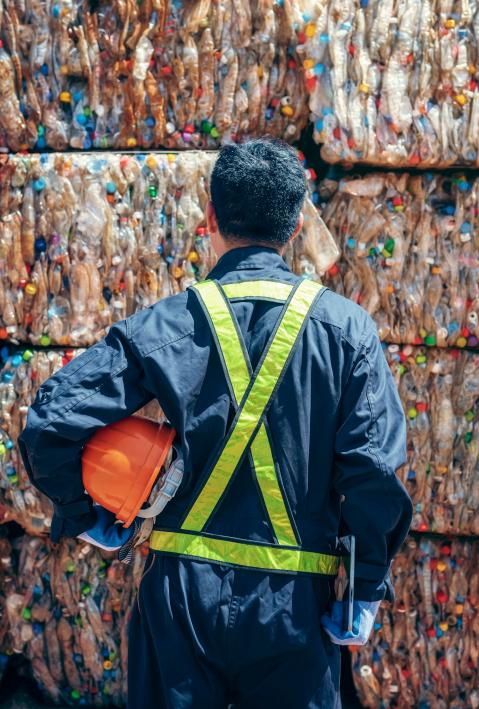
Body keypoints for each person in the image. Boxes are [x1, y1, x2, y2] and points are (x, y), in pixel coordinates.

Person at [19, 139, 412, 709]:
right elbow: (374, 471)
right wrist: (366, 587)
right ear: (298, 223)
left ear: (209, 218)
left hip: (180, 603)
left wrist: (86, 514)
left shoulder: (168, 324)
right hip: (293, 609)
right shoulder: (347, 332)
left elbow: (51, 421)